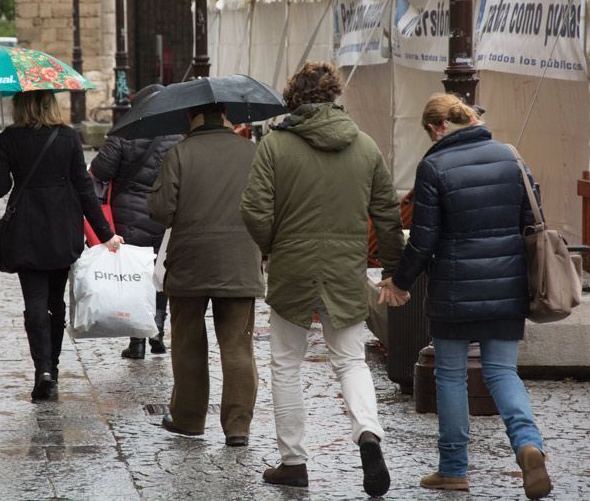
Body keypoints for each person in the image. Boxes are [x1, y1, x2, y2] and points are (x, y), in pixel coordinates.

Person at [240, 61, 405, 496]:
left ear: (293, 99)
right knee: (350, 360)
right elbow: (387, 215)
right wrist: (392, 271)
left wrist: (272, 248)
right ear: (333, 96)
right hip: (345, 269)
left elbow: (253, 209)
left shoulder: (275, 146)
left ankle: (293, 461)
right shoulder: (365, 147)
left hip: (292, 267)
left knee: (286, 363)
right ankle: (368, 433)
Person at [378, 92, 552, 500]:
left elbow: (422, 240)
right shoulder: (512, 158)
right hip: (508, 287)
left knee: (451, 376)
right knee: (502, 373)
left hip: (453, 292)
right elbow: (532, 221)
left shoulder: (434, 166)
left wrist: (400, 283)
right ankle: (529, 445)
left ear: (438, 127)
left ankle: (454, 469)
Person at [0, 90, 123, 401]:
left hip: (26, 232)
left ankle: (42, 370)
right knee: (55, 303)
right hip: (61, 230)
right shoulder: (68, 137)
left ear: (19, 105)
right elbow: (85, 189)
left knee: (34, 303)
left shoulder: (10, 137)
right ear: (50, 104)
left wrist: (6, 152)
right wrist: (105, 234)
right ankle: (53, 369)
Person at [148, 102, 264, 448]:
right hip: (240, 261)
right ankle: (238, 427)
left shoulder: (180, 153)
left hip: (189, 262)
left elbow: (161, 210)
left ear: (191, 117)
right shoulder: (252, 152)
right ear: (226, 115)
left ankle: (188, 419)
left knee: (187, 343)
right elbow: (267, 205)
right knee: (238, 346)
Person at [90, 84, 181, 359]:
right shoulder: (177, 135)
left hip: (128, 215)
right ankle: (158, 330)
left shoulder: (124, 132)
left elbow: (101, 169)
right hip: (165, 213)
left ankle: (137, 342)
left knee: (136, 276)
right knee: (159, 273)